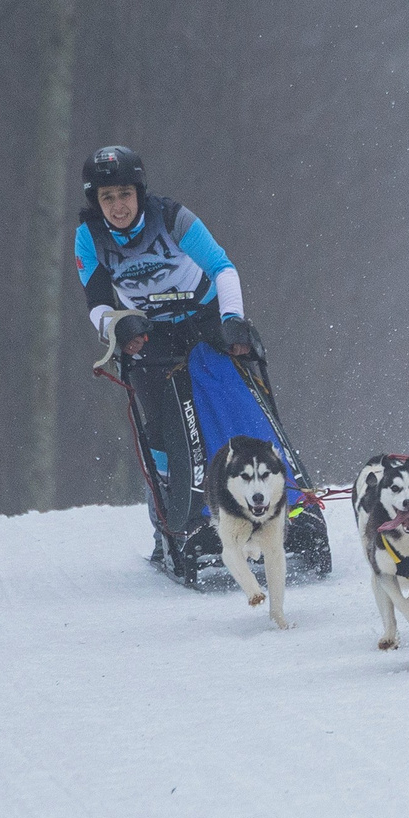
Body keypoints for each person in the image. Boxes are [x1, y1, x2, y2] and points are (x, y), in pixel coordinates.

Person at [75, 144, 317, 574]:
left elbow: (223, 268)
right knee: (161, 427)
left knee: (236, 404)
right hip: (149, 329)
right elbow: (96, 302)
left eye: (125, 194)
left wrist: (233, 321)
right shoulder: (89, 237)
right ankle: (175, 522)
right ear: (96, 201)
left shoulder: (171, 218)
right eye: (107, 197)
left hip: (204, 317)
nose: (117, 206)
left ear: (139, 192)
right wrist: (114, 325)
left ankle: (294, 507)